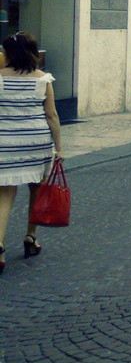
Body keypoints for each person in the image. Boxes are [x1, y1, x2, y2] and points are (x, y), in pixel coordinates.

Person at [0, 31, 64, 274]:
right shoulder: (42, 79)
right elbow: (52, 116)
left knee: (4, 194)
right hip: (36, 142)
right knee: (37, 189)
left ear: (8, 54)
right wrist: (59, 149)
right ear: (33, 53)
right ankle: (30, 237)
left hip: (6, 143)